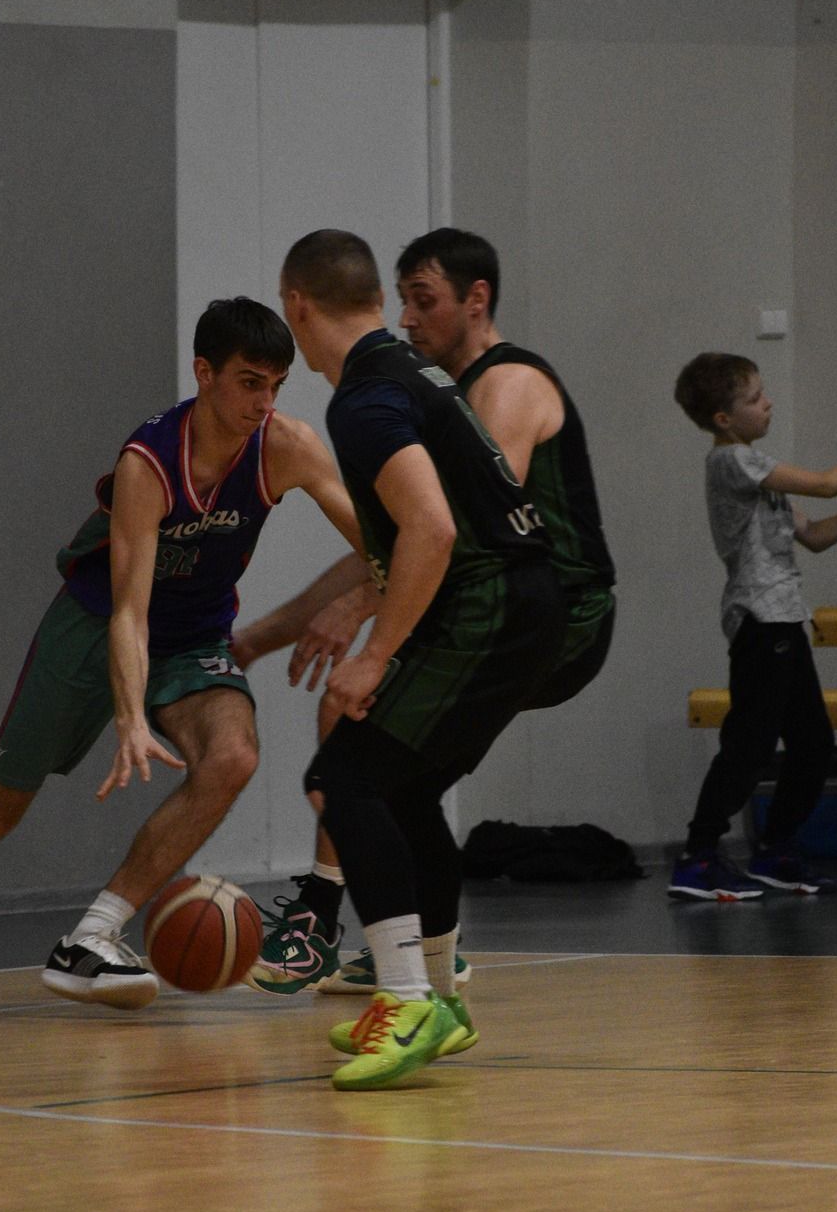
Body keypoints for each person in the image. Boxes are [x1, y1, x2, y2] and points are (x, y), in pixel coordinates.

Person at [0, 297, 362, 1008]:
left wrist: (360, 605)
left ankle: (91, 936)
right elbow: (128, 612)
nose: (263, 402)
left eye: (275, 385)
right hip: (94, 627)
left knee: (233, 757)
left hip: (195, 636)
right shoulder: (148, 461)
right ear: (203, 373)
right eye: (249, 382)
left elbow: (385, 543)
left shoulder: (287, 446)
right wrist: (130, 716)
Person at [240, 227, 616, 1001]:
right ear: (379, 299)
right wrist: (264, 638)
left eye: (426, 299)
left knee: (346, 777)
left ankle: (396, 989)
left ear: (296, 305)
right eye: (405, 300)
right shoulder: (420, 375)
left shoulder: (374, 395)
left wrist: (375, 650)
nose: (412, 316)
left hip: (509, 607)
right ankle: (435, 992)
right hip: (518, 604)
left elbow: (435, 529)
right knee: (399, 787)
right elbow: (401, 540)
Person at [669, 352, 837, 901]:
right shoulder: (732, 461)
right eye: (755, 398)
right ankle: (698, 857)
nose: (769, 403)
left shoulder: (760, 475)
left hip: (785, 620)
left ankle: (776, 851)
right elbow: (826, 483)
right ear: (723, 418)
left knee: (812, 743)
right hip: (760, 621)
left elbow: (815, 535)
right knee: (749, 744)